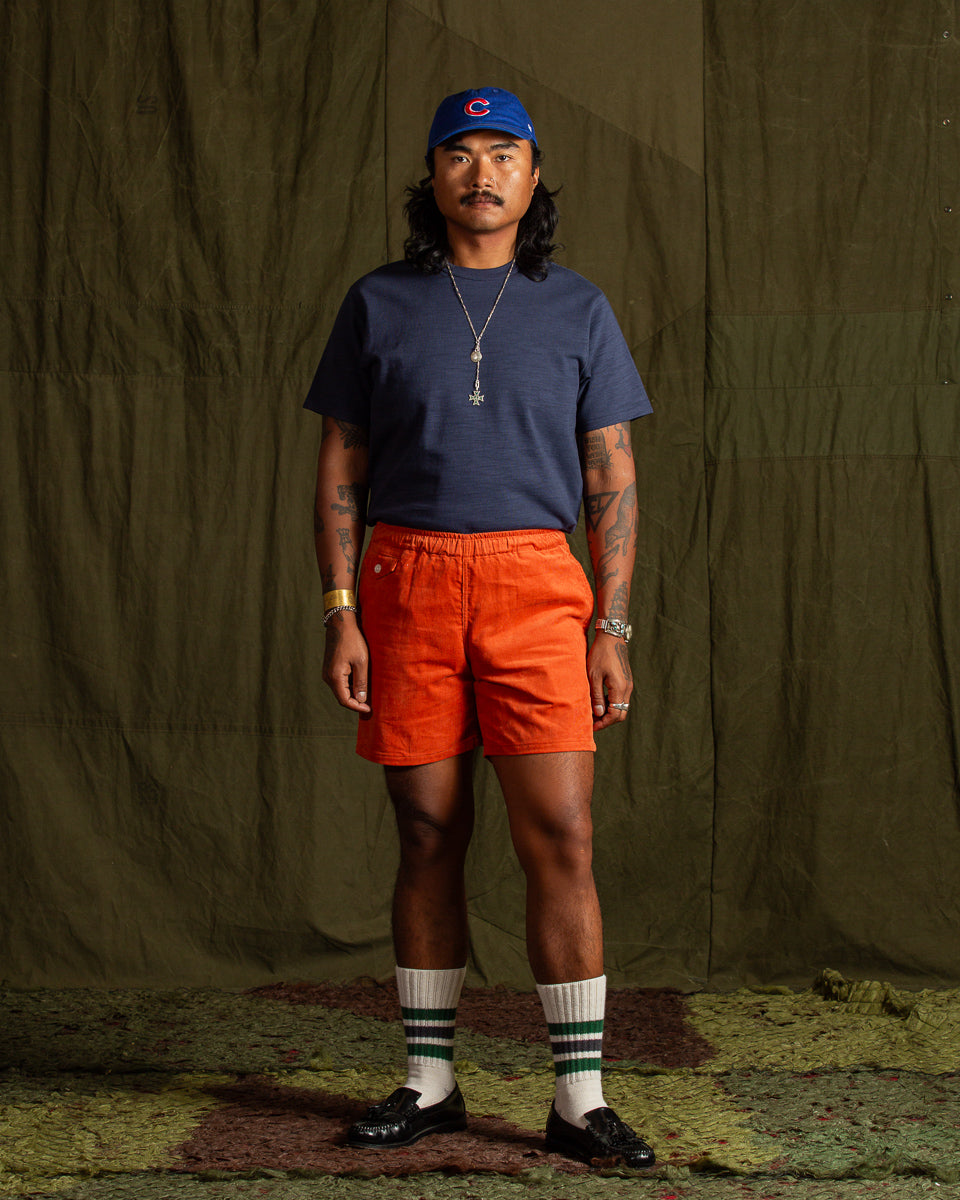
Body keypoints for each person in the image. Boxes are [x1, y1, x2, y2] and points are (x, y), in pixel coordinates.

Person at [304, 87, 655, 1169]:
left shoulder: (579, 306)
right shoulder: (378, 301)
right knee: (426, 832)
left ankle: (579, 1098)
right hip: (404, 581)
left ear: (534, 177)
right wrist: (341, 610)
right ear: (434, 176)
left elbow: (612, 475)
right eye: (461, 153)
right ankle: (431, 1081)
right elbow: (342, 462)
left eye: (505, 153)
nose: (483, 172)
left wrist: (612, 625)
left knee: (562, 833)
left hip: (536, 583)